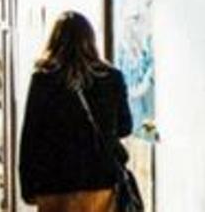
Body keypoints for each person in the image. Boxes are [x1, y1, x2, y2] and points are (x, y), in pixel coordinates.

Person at [20, 11, 133, 212]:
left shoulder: (43, 79)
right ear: (91, 39)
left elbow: (31, 136)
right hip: (99, 180)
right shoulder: (111, 77)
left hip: (53, 183)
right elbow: (125, 127)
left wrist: (27, 186)